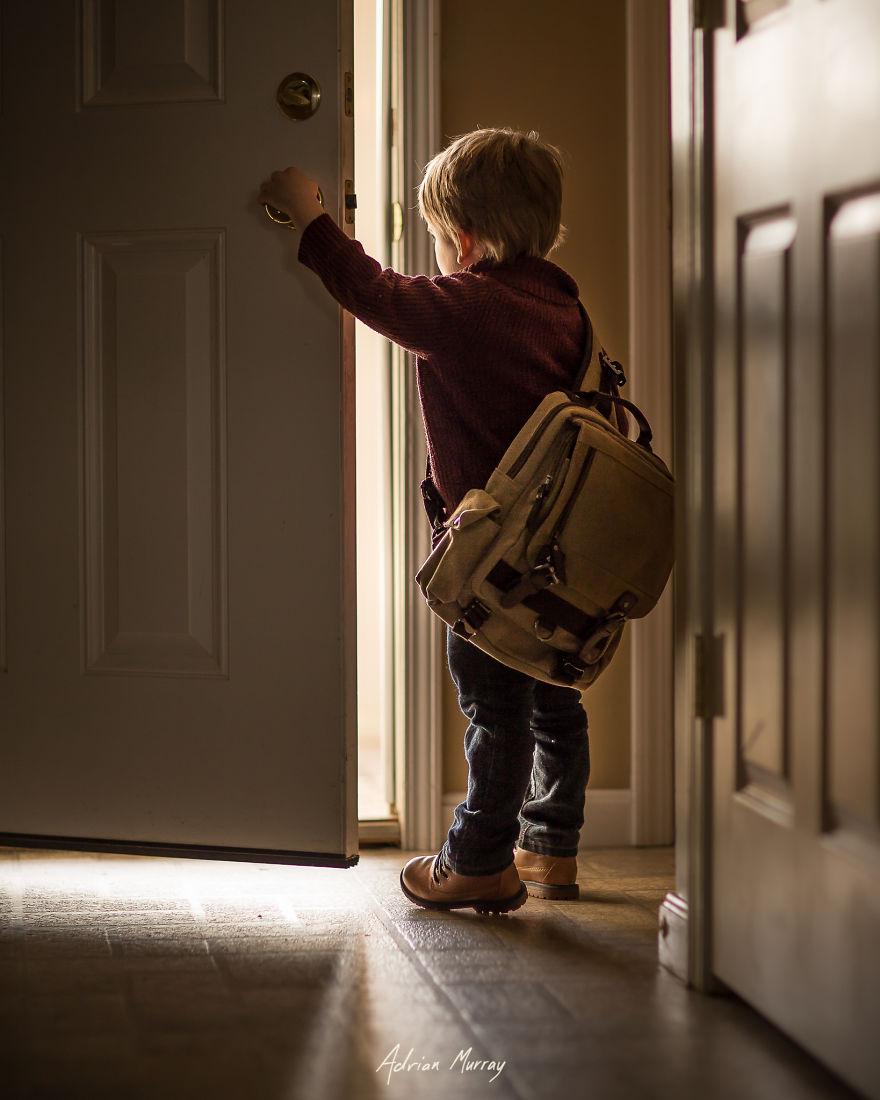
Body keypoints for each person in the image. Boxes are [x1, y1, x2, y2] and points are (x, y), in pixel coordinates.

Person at [259, 128, 593, 915]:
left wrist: (311, 221)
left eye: (442, 238)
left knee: (493, 706)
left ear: (465, 240)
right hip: (557, 554)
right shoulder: (565, 306)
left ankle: (478, 859)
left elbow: (374, 291)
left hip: (489, 559)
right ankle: (552, 847)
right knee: (555, 695)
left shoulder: (467, 306)